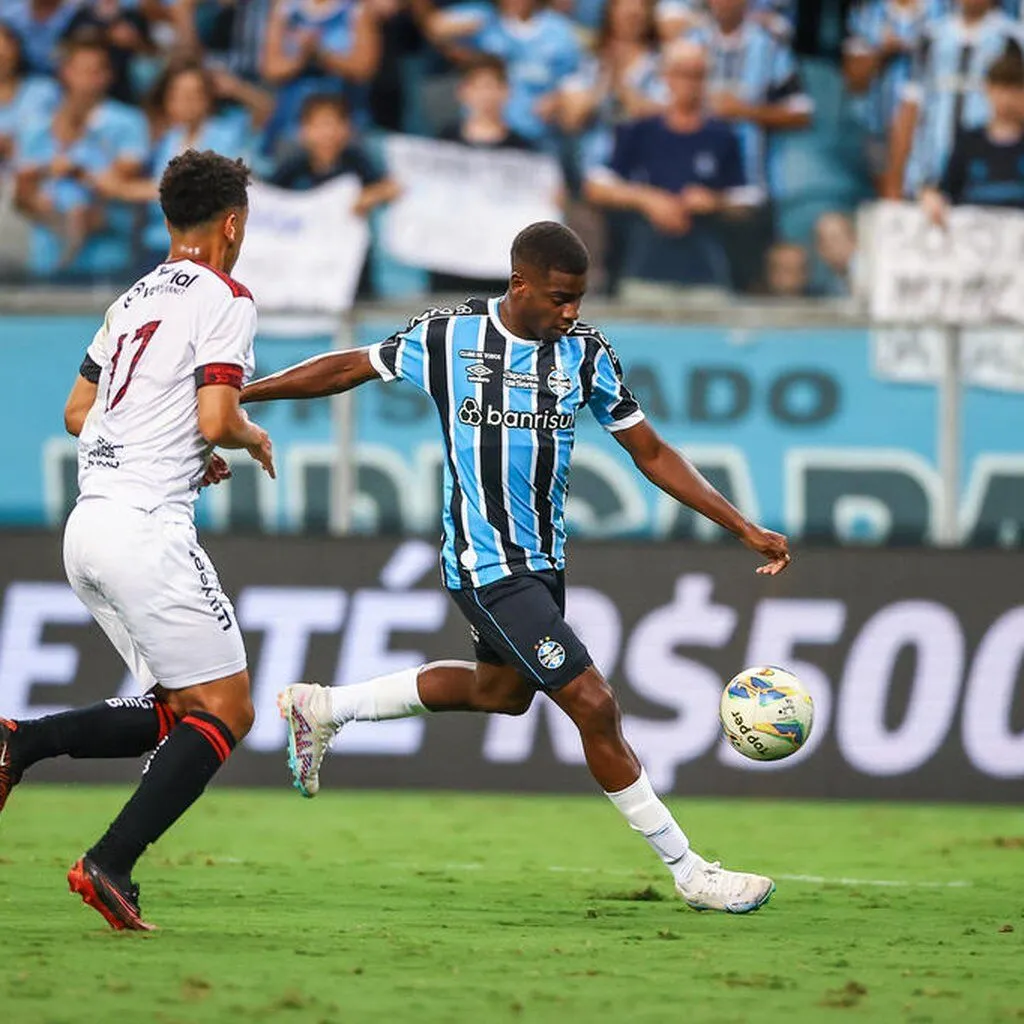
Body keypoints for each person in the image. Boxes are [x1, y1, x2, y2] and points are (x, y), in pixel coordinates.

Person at [241, 220, 791, 915]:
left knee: (501, 692)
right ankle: (690, 871)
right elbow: (350, 365)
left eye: (580, 299)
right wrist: (245, 396)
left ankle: (322, 707)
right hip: (483, 562)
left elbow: (649, 451)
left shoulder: (586, 355)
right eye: (560, 298)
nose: (572, 312)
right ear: (519, 285)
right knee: (594, 703)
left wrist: (739, 524)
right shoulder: (448, 339)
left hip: (542, 564)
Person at [0, 149, 275, 931]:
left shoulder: (131, 298)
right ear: (232, 225)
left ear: (168, 221)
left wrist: (183, 447)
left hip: (87, 527)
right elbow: (218, 415)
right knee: (227, 708)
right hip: (145, 529)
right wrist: (244, 438)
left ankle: (17, 744)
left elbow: (77, 412)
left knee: (172, 706)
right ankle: (108, 862)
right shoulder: (226, 296)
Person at [584, 40, 753, 301]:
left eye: (697, 75)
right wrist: (647, 199)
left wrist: (714, 201)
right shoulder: (639, 131)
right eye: (681, 73)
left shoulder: (723, 136)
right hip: (644, 270)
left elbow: (747, 200)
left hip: (706, 275)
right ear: (666, 76)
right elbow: (596, 187)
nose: (689, 82)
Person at [684, 0, 813, 292]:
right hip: (688, 176)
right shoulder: (691, 43)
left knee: (749, 272)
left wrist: (744, 111)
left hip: (750, 180)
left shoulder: (768, 48)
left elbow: (801, 111)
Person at [12, 37, 148, 278]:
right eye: (81, 70)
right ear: (65, 73)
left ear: (108, 75)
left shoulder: (129, 122)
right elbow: (21, 194)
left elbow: (123, 180)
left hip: (108, 259)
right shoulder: (37, 127)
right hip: (47, 259)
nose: (88, 79)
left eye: (96, 71)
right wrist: (48, 210)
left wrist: (76, 172)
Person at [882, 0, 1024, 198]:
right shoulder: (930, 38)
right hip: (927, 178)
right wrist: (894, 182)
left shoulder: (1013, 39)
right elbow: (910, 107)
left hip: (987, 180)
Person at [424, 0, 583, 147]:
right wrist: (468, 27)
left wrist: (556, 99)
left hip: (534, 134)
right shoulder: (483, 17)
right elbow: (435, 28)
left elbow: (574, 83)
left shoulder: (558, 30)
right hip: (480, 133)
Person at [259, 0, 383, 159]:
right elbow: (271, 69)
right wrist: (302, 57)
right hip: (293, 122)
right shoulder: (285, 8)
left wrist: (322, 54)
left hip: (344, 119)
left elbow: (365, 69)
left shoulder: (355, 9)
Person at [920, 48, 1024, 220]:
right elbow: (945, 191)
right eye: (1002, 89)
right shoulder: (968, 142)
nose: (1008, 99)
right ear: (988, 89)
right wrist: (930, 197)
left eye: (1016, 90)